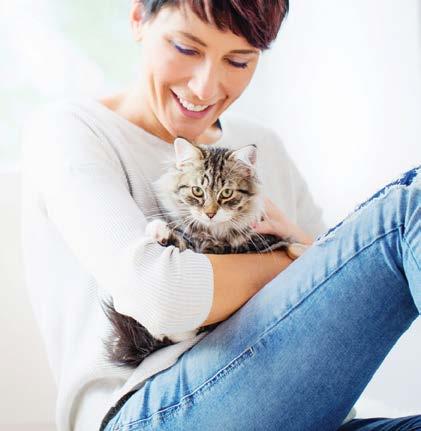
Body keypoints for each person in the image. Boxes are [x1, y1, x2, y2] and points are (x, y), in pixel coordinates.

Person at [20, 1, 420, 430]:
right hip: (149, 408)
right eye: (186, 48)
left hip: (315, 415)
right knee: (406, 210)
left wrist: (314, 261)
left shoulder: (260, 144)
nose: (205, 87)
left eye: (238, 60)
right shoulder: (70, 132)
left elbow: (338, 302)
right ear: (138, 18)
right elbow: (163, 297)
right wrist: (295, 260)